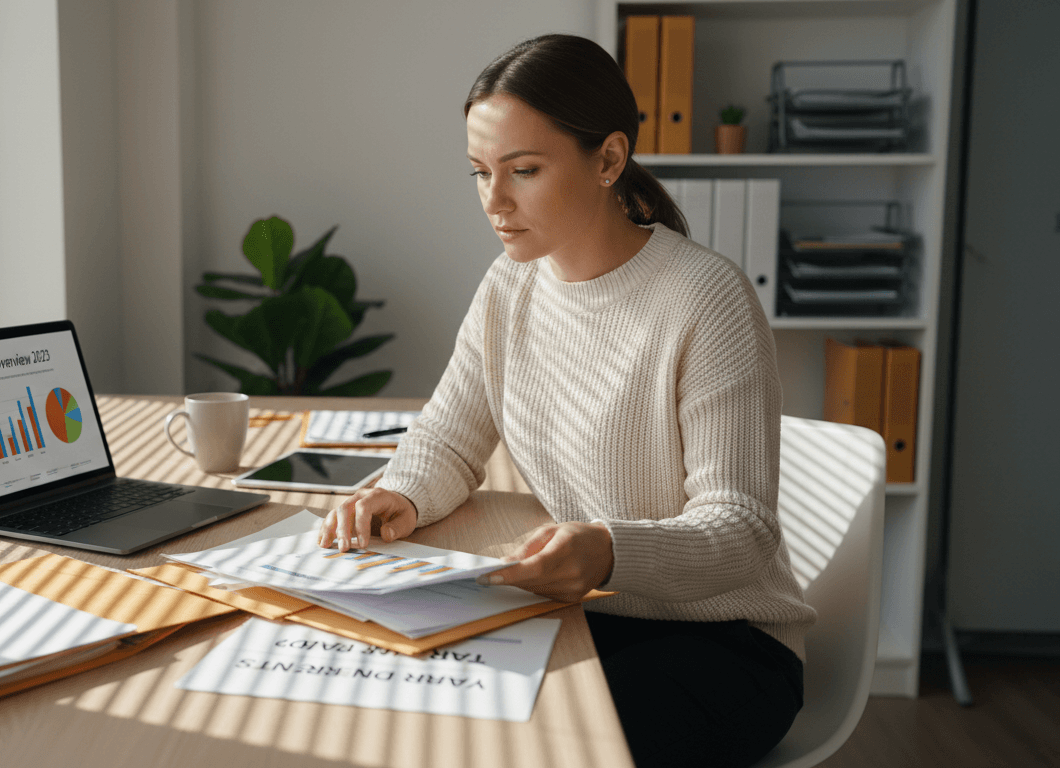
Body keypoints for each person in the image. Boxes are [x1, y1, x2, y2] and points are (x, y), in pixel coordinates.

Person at [317, 33, 815, 768]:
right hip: (588, 614)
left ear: (609, 160)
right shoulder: (510, 285)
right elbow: (452, 435)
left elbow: (740, 531)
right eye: (480, 172)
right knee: (409, 701)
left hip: (727, 644)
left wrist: (609, 550)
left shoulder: (706, 299)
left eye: (524, 170)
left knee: (512, 741)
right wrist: (402, 493)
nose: (495, 200)